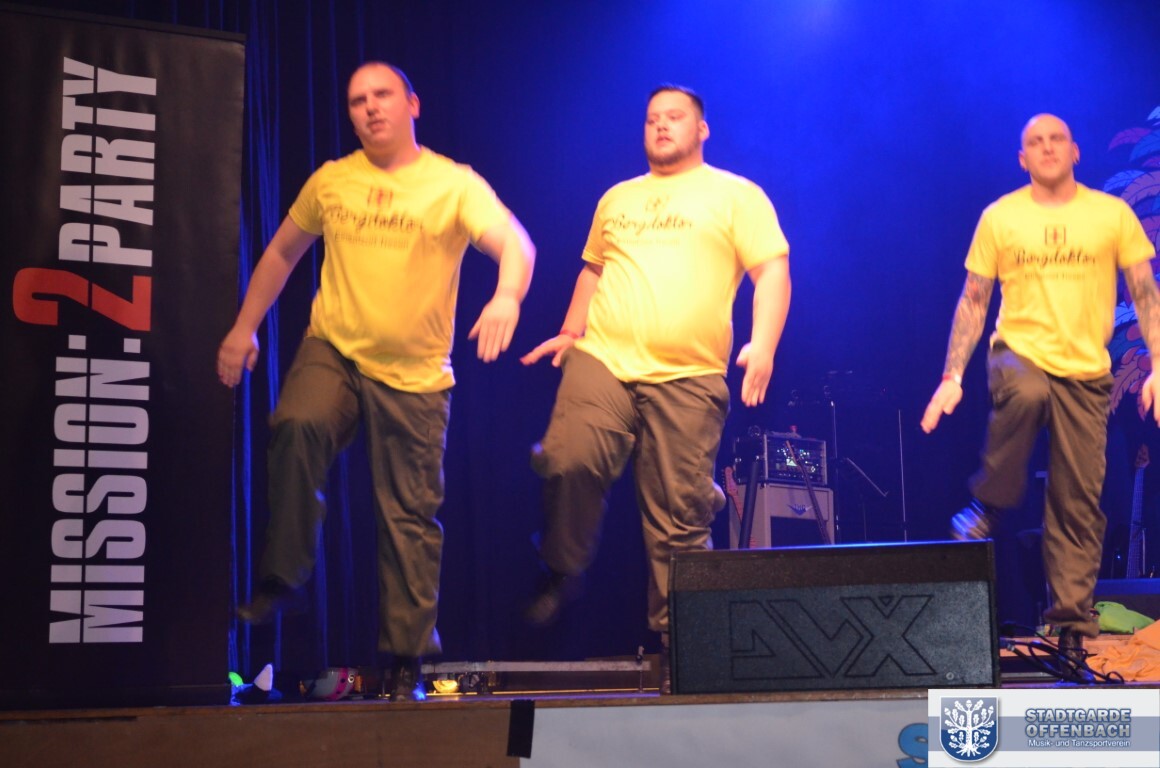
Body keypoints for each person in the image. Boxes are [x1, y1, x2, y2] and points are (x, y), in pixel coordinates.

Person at [216, 61, 535, 702]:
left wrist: (507, 296)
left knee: (408, 516)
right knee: (298, 422)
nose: (370, 108)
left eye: (382, 95)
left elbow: (515, 244)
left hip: (415, 375)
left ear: (412, 104)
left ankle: (407, 656)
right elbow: (282, 252)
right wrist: (243, 328)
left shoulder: (453, 184)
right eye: (357, 99)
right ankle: (285, 576)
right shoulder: (333, 180)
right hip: (336, 350)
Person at [519, 84, 791, 693]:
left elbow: (771, 270)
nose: (661, 126)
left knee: (678, 518)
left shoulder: (735, 195)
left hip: (689, 374)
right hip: (604, 358)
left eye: (675, 118)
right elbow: (594, 269)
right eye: (651, 119)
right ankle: (561, 565)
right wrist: (571, 331)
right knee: (567, 457)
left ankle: (680, 647)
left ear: (702, 129)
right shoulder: (617, 198)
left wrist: (764, 343)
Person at [921, 113, 1160, 662]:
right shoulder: (1001, 217)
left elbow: (1144, 291)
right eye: (1035, 141)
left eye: (1057, 139)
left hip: (1086, 372)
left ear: (1075, 151)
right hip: (1019, 355)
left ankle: (1071, 626)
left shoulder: (1110, 215)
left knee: (1078, 501)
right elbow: (974, 299)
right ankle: (990, 503)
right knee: (1027, 393)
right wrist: (952, 376)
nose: (1047, 148)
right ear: (1022, 158)